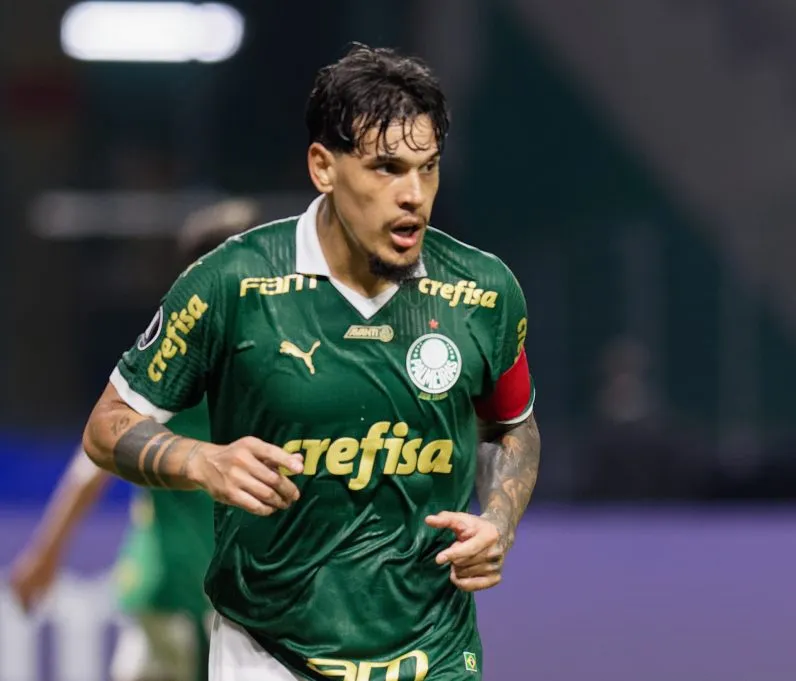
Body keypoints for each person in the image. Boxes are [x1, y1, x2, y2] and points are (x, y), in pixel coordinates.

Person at [81, 43, 541, 681]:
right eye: (386, 168)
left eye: (427, 168)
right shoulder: (231, 284)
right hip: (270, 656)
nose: (413, 195)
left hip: (435, 655)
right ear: (324, 167)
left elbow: (512, 425)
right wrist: (201, 460)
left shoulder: (484, 294)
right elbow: (107, 426)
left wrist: (499, 521)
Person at [8, 198, 262, 681]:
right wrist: (44, 556)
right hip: (184, 599)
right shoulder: (183, 365)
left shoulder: (259, 360)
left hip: (205, 598)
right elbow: (96, 458)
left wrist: (45, 556)